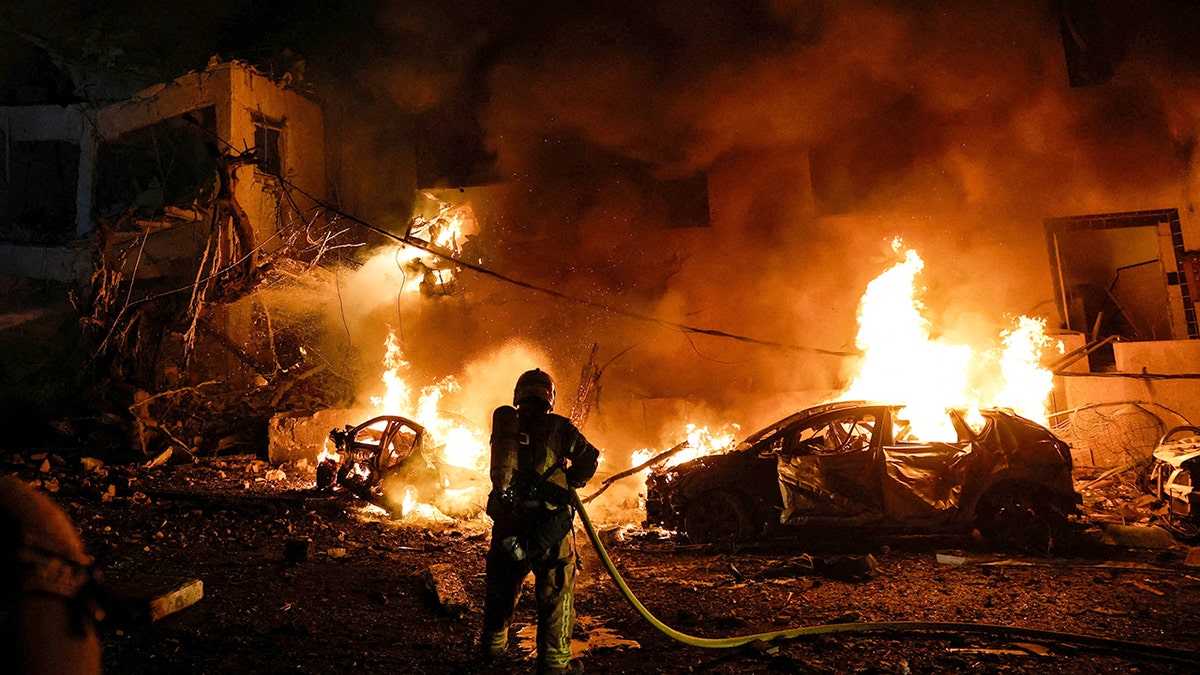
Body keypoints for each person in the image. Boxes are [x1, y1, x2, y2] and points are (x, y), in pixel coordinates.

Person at [480, 369, 599, 675]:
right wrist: (572, 480)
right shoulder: (559, 427)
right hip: (548, 528)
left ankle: (491, 648)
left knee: (502, 588)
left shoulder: (506, 426)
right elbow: (589, 458)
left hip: (508, 524)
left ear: (518, 395)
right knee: (556, 592)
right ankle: (555, 664)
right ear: (549, 398)